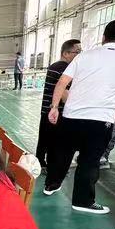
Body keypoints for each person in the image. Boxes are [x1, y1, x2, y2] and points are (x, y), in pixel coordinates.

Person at [45, 20, 115, 214]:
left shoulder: (84, 56)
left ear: (104, 37)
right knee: (89, 161)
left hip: (71, 115)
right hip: (100, 120)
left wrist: (54, 107)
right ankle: (82, 201)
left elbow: (62, 82)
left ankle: (51, 185)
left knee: (62, 154)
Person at [35, 40, 82, 168]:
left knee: (44, 139)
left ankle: (40, 163)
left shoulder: (54, 66)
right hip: (56, 111)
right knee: (54, 141)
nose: (79, 55)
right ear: (66, 53)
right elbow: (64, 94)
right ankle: (51, 167)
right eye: (77, 52)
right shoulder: (64, 69)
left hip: (47, 110)